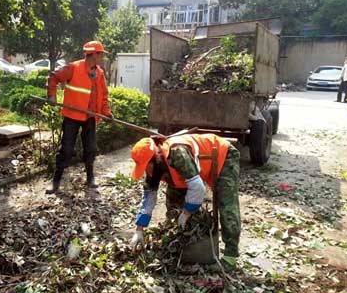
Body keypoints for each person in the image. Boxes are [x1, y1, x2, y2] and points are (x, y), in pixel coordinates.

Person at [129, 133, 241, 271]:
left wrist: (187, 212)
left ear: (155, 158)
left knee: (227, 204)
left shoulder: (177, 153)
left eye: (147, 166)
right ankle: (181, 243)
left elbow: (198, 187)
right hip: (192, 170)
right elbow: (149, 198)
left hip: (223, 156)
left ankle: (230, 257)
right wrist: (139, 230)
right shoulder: (156, 167)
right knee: (173, 206)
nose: (147, 171)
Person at [46, 41, 112, 194]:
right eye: (100, 54)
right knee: (67, 150)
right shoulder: (73, 68)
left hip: (90, 117)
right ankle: (55, 182)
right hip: (72, 116)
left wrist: (107, 112)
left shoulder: (99, 73)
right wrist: (51, 96)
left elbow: (103, 96)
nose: (102, 57)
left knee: (90, 148)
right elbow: (54, 78)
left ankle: (90, 178)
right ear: (93, 54)